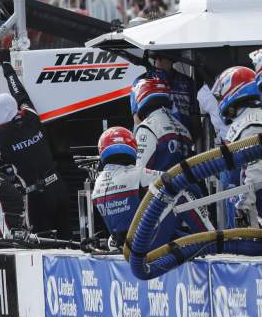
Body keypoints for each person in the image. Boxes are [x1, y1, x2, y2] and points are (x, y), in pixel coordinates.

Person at [0, 59, 72, 238]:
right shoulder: (31, 117)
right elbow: (20, 95)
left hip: (38, 197)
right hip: (59, 187)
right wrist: (8, 69)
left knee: (44, 245)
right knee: (69, 241)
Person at [92, 127, 209, 249]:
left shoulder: (97, 183)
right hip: (145, 242)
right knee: (181, 191)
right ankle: (211, 240)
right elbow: (174, 178)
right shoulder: (137, 173)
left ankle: (187, 243)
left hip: (124, 244)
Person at [213, 66, 262, 226]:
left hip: (255, 212)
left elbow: (255, 175)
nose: (219, 102)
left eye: (220, 97)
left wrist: (244, 209)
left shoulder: (251, 123)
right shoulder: (246, 120)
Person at [132, 77, 193, 172]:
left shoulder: (147, 127)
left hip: (159, 186)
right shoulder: (184, 129)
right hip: (183, 185)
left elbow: (139, 171)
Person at [146, 52, 200, 136]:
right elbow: (137, 119)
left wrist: (193, 136)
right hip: (158, 138)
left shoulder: (187, 82)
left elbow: (194, 115)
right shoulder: (143, 81)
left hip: (184, 138)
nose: (159, 61)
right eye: (158, 58)